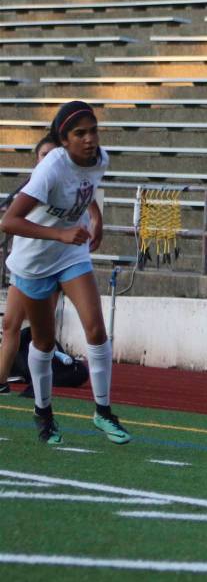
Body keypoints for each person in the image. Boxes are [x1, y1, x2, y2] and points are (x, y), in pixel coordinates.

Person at [0, 101, 131, 446]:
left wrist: (96, 217)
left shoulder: (100, 158)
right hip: (35, 261)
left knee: (96, 328)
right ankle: (44, 414)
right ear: (64, 139)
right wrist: (59, 233)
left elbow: (84, 187)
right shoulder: (50, 169)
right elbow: (9, 221)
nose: (90, 139)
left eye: (93, 130)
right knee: (43, 341)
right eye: (80, 133)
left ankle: (103, 412)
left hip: (71, 252)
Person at [1, 134, 62, 394]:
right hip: (25, 265)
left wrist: (96, 220)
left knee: (42, 332)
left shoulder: (65, 187)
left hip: (53, 265)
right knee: (10, 324)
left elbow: (90, 201)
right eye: (43, 155)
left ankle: (39, 386)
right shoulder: (31, 189)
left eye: (53, 155)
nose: (48, 160)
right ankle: (1, 379)